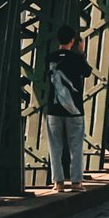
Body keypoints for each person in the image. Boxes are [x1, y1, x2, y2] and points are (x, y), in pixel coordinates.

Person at [44, 15, 90, 195]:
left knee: (55, 147)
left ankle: (58, 183)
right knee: (76, 147)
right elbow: (87, 72)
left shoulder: (49, 57)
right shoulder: (77, 59)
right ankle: (77, 182)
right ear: (73, 40)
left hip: (54, 110)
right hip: (75, 111)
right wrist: (81, 51)